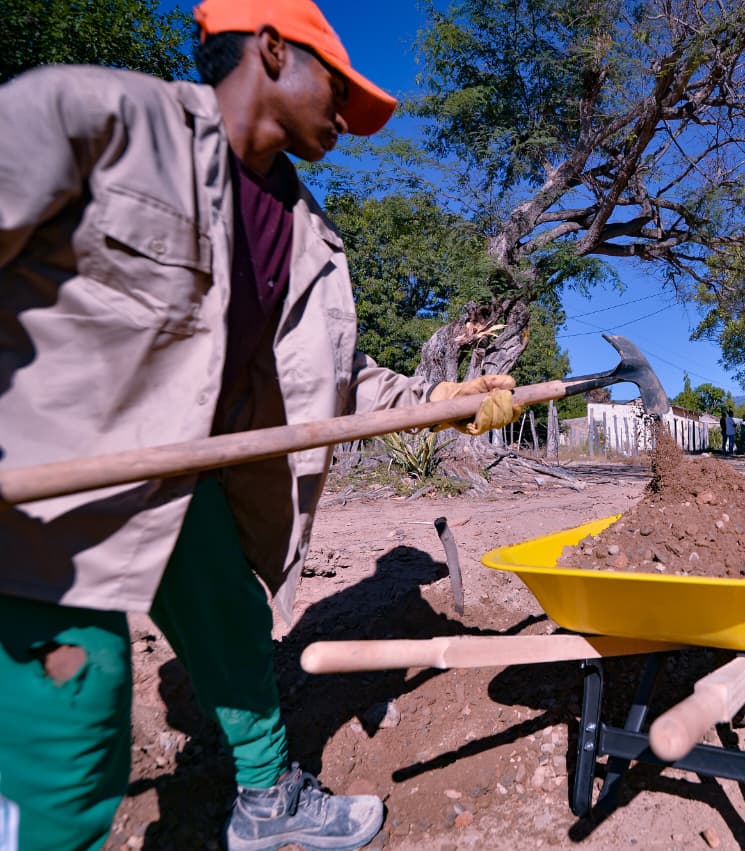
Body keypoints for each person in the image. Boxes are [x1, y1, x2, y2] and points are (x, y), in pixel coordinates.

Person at [0, 3, 521, 850]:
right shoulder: (102, 119)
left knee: (234, 625)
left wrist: (460, 399)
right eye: (340, 90)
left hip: (185, 479)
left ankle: (267, 800)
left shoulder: (309, 238)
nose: (349, 121)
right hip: (55, 501)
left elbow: (345, 382)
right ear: (272, 51)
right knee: (69, 743)